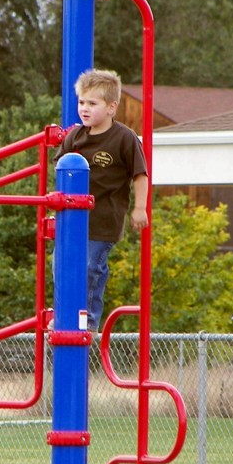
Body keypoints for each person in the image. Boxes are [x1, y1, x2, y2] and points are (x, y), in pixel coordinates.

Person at [54, 69, 149, 331]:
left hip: (104, 217)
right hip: (72, 218)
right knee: (60, 267)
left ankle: (89, 320)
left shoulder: (124, 138)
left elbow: (140, 175)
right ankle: (64, 315)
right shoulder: (75, 136)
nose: (84, 109)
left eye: (92, 104)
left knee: (90, 267)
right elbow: (60, 168)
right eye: (81, 102)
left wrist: (140, 208)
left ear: (111, 107)